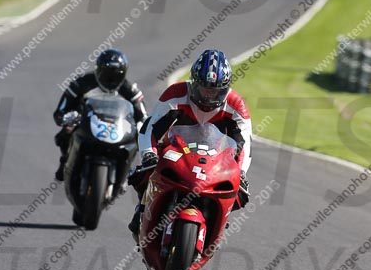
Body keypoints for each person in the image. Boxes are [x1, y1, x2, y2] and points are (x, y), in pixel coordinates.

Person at [128, 48, 251, 240]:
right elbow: (149, 129)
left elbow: (244, 145)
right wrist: (148, 154)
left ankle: (216, 222)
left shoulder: (236, 105)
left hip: (214, 162)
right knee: (144, 172)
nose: (209, 96)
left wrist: (241, 172)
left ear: (225, 88)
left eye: (215, 91)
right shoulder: (175, 93)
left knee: (237, 192)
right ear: (194, 83)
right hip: (177, 152)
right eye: (204, 89)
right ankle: (143, 209)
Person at [53, 48, 147, 181]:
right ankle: (65, 161)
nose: (110, 80)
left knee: (138, 139)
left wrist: (140, 126)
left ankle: (126, 173)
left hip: (117, 126)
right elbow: (60, 111)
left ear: (123, 75)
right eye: (106, 75)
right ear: (98, 70)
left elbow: (143, 115)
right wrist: (66, 117)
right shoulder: (81, 83)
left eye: (115, 76)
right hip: (87, 122)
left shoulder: (129, 89)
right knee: (65, 133)